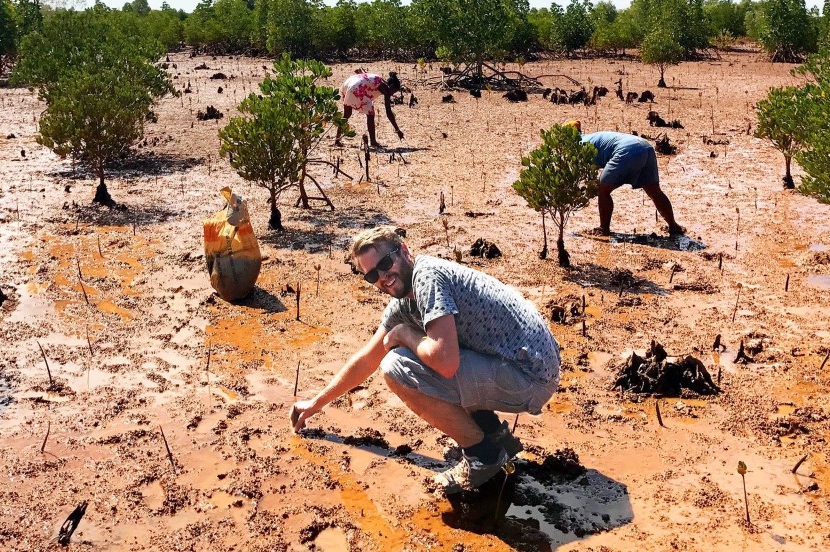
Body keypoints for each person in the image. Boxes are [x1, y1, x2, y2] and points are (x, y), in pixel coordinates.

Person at [290, 226, 560, 494]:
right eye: (372, 275)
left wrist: (406, 334)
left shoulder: (427, 277)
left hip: (529, 376)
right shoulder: (404, 303)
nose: (383, 277)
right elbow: (366, 359)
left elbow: (446, 363)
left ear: (404, 251)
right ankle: (496, 438)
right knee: (413, 353)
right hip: (522, 366)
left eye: (386, 263)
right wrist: (316, 403)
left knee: (397, 366)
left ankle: (482, 457)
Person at [565, 120, 684, 237]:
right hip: (645, 146)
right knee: (654, 191)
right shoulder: (591, 137)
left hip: (627, 150)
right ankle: (673, 226)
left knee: (603, 190)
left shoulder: (579, 145)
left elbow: (580, 176)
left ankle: (604, 229)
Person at [335, 71, 404, 147]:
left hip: (348, 84)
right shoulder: (385, 88)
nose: (392, 94)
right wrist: (397, 130)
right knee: (370, 114)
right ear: (391, 86)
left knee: (347, 114)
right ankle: (373, 141)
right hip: (356, 88)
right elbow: (388, 112)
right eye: (393, 91)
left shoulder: (379, 80)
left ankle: (337, 139)